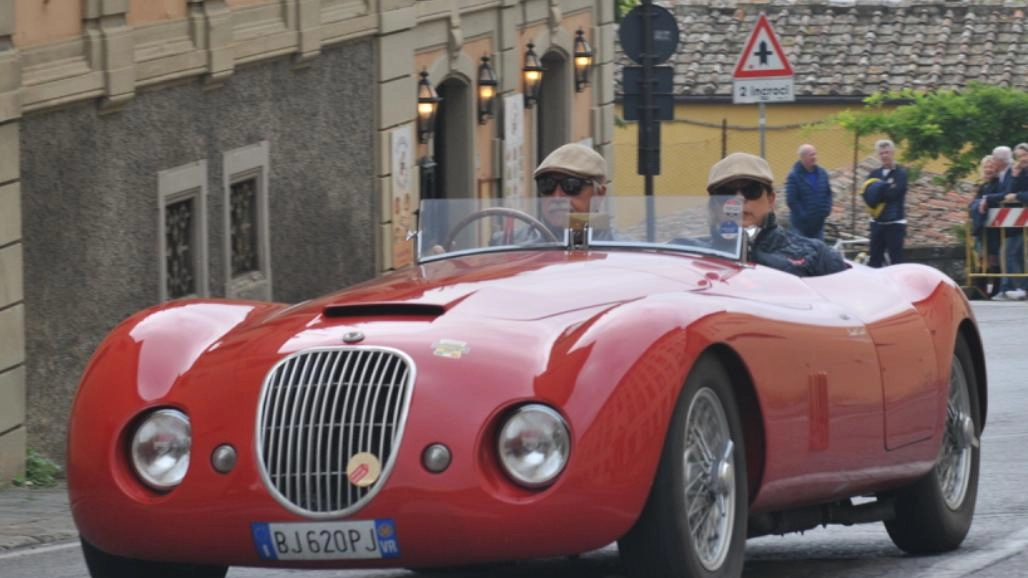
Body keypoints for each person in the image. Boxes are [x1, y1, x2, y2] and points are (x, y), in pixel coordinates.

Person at [708, 152, 846, 277]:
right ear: (714, 205)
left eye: (751, 190)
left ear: (770, 200)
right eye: (725, 193)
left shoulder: (815, 254)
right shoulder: (693, 257)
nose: (739, 200)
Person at [980, 145, 1027, 300]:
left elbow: (1010, 194)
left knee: (1010, 253)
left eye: (1023, 155)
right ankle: (1012, 288)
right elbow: (1009, 193)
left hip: (1020, 220)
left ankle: (1019, 287)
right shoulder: (1015, 172)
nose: (1020, 159)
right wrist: (1014, 175)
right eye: (1018, 156)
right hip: (1013, 222)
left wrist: (1017, 196)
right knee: (1011, 254)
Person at [866, 139, 909, 267]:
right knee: (874, 261)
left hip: (895, 223)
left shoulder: (901, 174)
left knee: (896, 261)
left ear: (893, 153)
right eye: (882, 153)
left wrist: (879, 191)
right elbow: (869, 197)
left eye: (887, 152)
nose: (885, 156)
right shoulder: (874, 174)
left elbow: (896, 193)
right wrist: (887, 188)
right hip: (877, 223)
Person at [969, 155, 1001, 298]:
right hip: (983, 229)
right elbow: (974, 202)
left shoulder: (998, 184)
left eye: (991, 167)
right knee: (982, 257)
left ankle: (995, 288)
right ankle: (981, 289)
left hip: (994, 229)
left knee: (993, 257)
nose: (988, 170)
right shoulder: (983, 186)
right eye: (986, 167)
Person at [785, 144, 833, 239]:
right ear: (803, 157)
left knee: (818, 252)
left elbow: (828, 193)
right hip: (800, 227)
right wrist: (804, 216)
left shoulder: (822, 173)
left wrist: (827, 210)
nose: (814, 157)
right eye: (811, 155)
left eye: (815, 154)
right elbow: (791, 200)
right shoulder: (794, 176)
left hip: (818, 226)